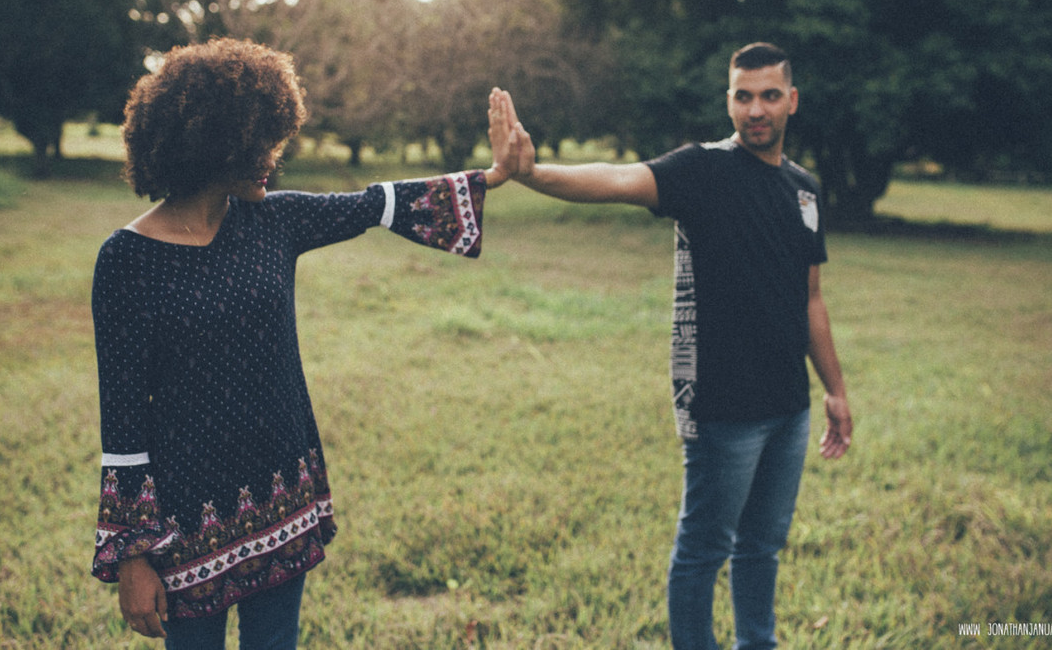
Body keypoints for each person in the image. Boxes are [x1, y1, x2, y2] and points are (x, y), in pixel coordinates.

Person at [91, 37, 519, 649]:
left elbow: (380, 204)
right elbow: (123, 420)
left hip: (281, 495)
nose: (272, 156)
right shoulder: (126, 261)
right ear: (215, 142)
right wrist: (132, 557)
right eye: (261, 141)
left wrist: (494, 176)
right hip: (185, 523)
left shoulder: (275, 221)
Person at [489, 42, 853, 650]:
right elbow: (617, 179)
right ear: (728, 101)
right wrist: (534, 173)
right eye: (743, 95)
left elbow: (810, 297)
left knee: (763, 547)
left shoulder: (805, 190)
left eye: (768, 95)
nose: (755, 109)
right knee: (704, 551)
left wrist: (835, 390)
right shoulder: (702, 170)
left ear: (792, 101)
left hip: (791, 407)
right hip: (724, 410)